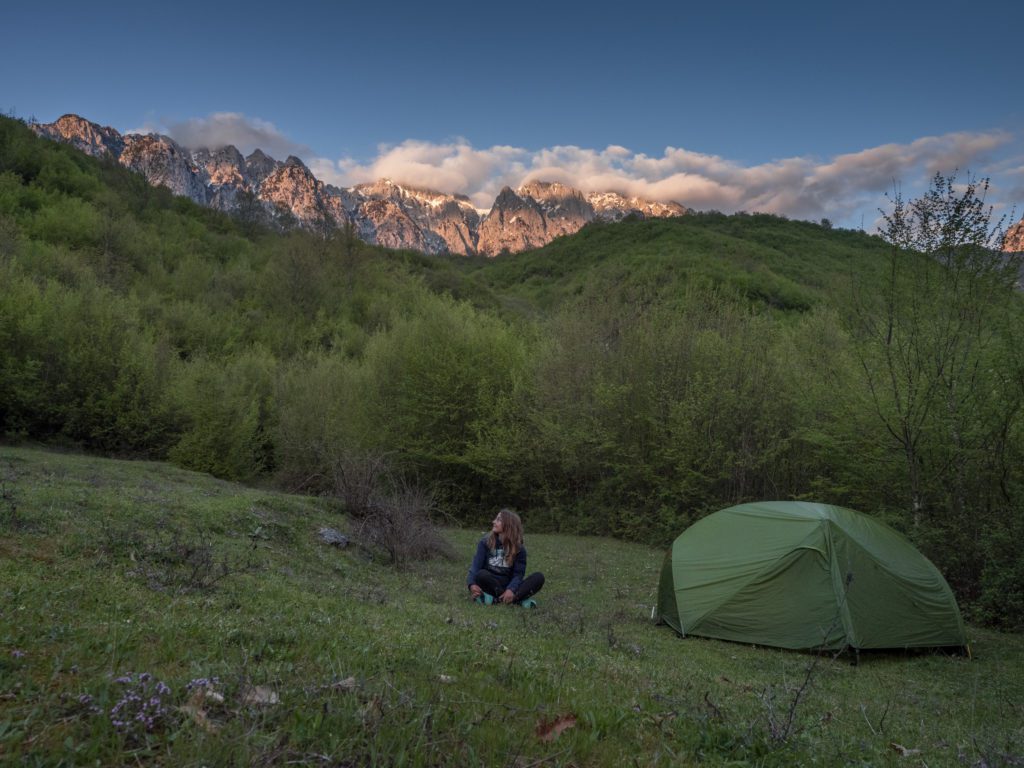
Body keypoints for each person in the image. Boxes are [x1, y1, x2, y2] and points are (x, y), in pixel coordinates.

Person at [466, 508, 544, 606]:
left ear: (508, 524)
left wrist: (511, 589)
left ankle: (496, 600)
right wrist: (471, 584)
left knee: (538, 577)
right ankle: (515, 601)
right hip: (489, 583)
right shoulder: (485, 543)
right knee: (481, 574)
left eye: (498, 520)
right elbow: (475, 567)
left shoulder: (519, 549)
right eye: (495, 519)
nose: (493, 522)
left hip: (508, 585)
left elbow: (518, 575)